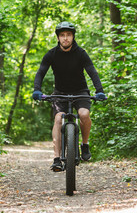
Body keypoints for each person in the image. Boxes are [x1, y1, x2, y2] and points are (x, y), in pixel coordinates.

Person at [32, 21, 106, 172]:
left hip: (80, 91)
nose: (65, 38)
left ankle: (85, 145)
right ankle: (56, 159)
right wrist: (37, 90)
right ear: (58, 38)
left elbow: (92, 72)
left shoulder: (81, 53)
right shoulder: (51, 55)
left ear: (73, 37)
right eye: (62, 35)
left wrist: (100, 90)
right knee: (58, 118)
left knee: (84, 114)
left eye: (68, 35)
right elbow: (40, 73)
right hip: (60, 93)